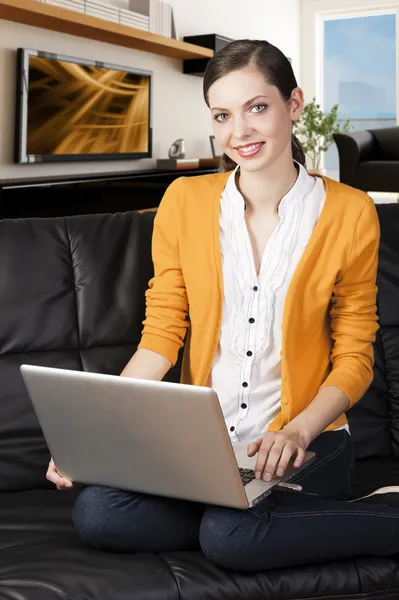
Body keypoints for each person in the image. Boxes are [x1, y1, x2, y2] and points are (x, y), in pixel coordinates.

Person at [46, 39, 399, 572]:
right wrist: (97, 433)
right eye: (223, 115)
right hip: (204, 451)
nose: (241, 132)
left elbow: (355, 354)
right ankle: (257, 521)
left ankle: (377, 515)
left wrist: (297, 430)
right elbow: (162, 332)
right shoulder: (184, 202)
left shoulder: (350, 212)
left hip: (306, 442)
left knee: (232, 537)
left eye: (258, 107)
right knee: (100, 513)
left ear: (293, 105)